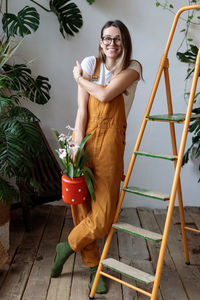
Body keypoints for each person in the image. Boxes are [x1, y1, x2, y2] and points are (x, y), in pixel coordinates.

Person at [51, 20, 142, 294]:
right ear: (100, 41)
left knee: (102, 218)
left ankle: (66, 246)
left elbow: (104, 95)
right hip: (87, 144)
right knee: (83, 209)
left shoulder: (132, 69)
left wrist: (79, 79)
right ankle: (94, 269)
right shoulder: (92, 63)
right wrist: (77, 147)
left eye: (116, 39)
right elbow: (82, 111)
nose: (111, 44)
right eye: (106, 38)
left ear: (124, 41)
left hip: (112, 148)